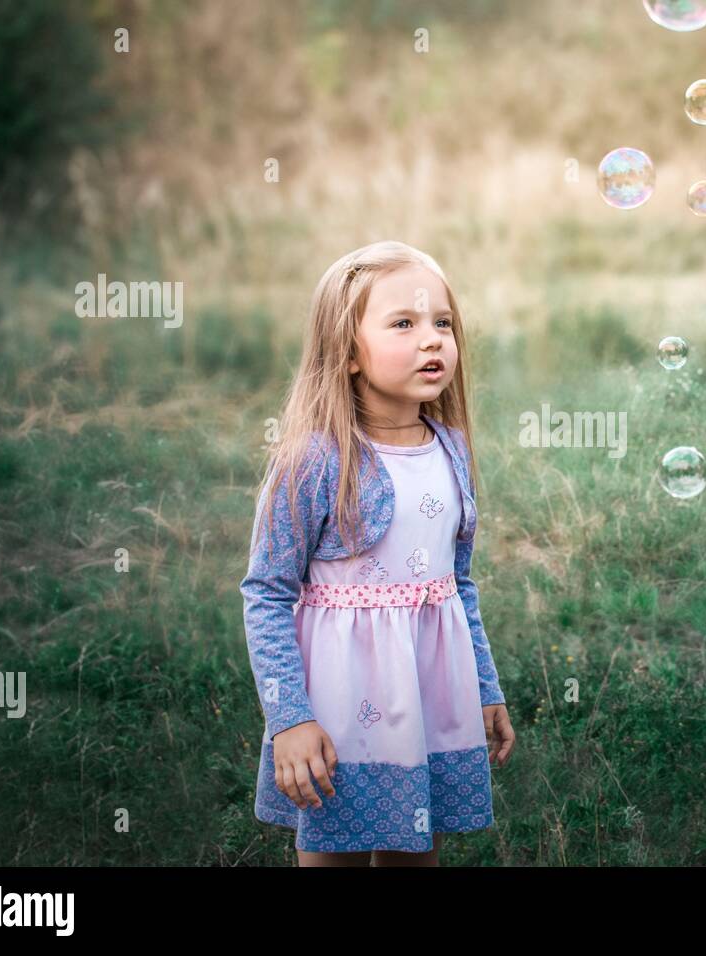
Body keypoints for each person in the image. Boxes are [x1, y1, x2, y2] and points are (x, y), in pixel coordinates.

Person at [240, 240, 515, 867]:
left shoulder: (449, 449)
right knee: (333, 854)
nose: (432, 340)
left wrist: (484, 687)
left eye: (442, 323)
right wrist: (290, 719)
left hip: (429, 698)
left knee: (416, 853)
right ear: (347, 354)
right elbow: (267, 592)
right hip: (341, 711)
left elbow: (457, 585)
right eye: (404, 323)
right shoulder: (316, 461)